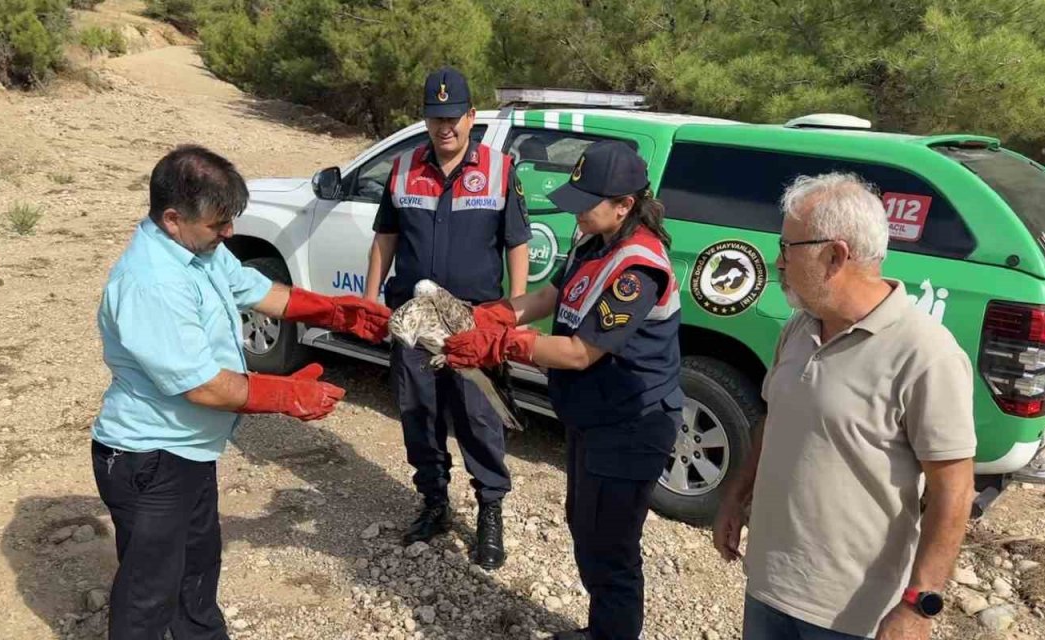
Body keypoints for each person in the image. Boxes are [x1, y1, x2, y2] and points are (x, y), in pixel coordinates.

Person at [92, 144, 390, 640]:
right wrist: (285, 396)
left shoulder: (198, 250)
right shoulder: (152, 282)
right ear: (172, 218)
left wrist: (335, 312)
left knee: (199, 565)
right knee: (150, 592)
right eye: (218, 224)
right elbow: (205, 387)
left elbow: (255, 289)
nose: (228, 233)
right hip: (149, 456)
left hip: (188, 451)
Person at [712, 172, 977, 640]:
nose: (777, 262)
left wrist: (918, 605)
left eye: (787, 248)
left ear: (835, 255)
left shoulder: (925, 354)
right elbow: (773, 421)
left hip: (851, 615)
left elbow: (953, 491)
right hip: (769, 586)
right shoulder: (799, 327)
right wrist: (734, 495)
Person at [442, 140, 682, 640]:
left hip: (629, 424)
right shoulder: (594, 237)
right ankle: (601, 629)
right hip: (590, 415)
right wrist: (497, 313)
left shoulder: (638, 268)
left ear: (625, 205)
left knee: (610, 549)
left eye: (587, 203)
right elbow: (554, 293)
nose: (577, 214)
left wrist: (503, 344)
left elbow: (580, 352)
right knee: (584, 524)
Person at [363, 66, 531, 569]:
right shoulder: (403, 168)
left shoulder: (500, 169)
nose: (446, 128)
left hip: (473, 322)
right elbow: (385, 239)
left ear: (471, 117)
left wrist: (513, 315)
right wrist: (372, 299)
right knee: (419, 412)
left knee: (479, 417)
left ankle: (490, 510)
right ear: (426, 119)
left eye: (454, 117)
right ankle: (434, 500)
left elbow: (516, 243)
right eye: (437, 119)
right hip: (415, 320)